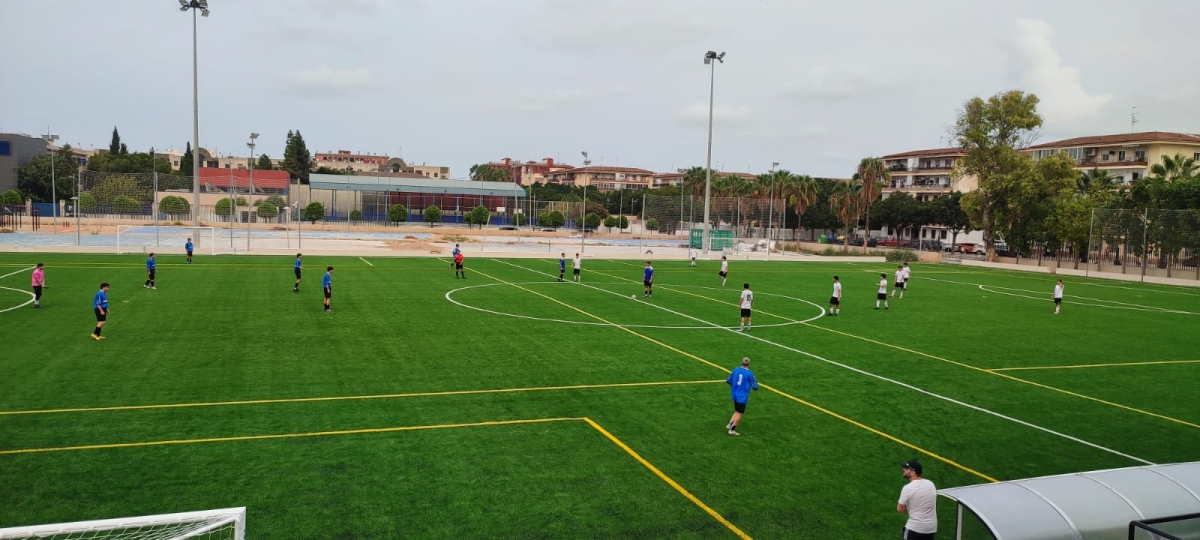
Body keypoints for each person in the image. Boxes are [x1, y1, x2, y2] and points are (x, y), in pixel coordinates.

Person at [897, 459, 937, 539]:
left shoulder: (908, 488)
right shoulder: (930, 484)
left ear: (913, 472)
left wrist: (912, 512)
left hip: (915, 528)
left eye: (906, 468)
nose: (903, 469)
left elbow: (900, 508)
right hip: (931, 529)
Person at [725, 357, 759, 435]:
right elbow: (755, 387)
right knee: (740, 412)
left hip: (735, 394)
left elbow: (728, 380)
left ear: (741, 362)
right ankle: (732, 430)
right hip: (742, 396)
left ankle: (729, 424)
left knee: (737, 410)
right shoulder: (750, 374)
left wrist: (734, 387)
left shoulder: (735, 370)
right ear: (749, 364)